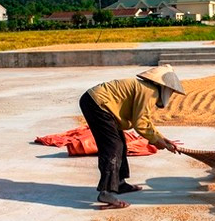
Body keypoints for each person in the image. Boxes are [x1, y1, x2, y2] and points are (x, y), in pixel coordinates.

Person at [79, 64, 184, 210]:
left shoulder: (147, 88)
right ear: (164, 86)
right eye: (171, 90)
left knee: (120, 143)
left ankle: (119, 183)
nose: (171, 94)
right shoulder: (149, 91)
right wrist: (156, 141)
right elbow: (140, 123)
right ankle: (106, 192)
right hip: (97, 104)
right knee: (113, 147)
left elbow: (144, 120)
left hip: (98, 103)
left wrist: (162, 139)